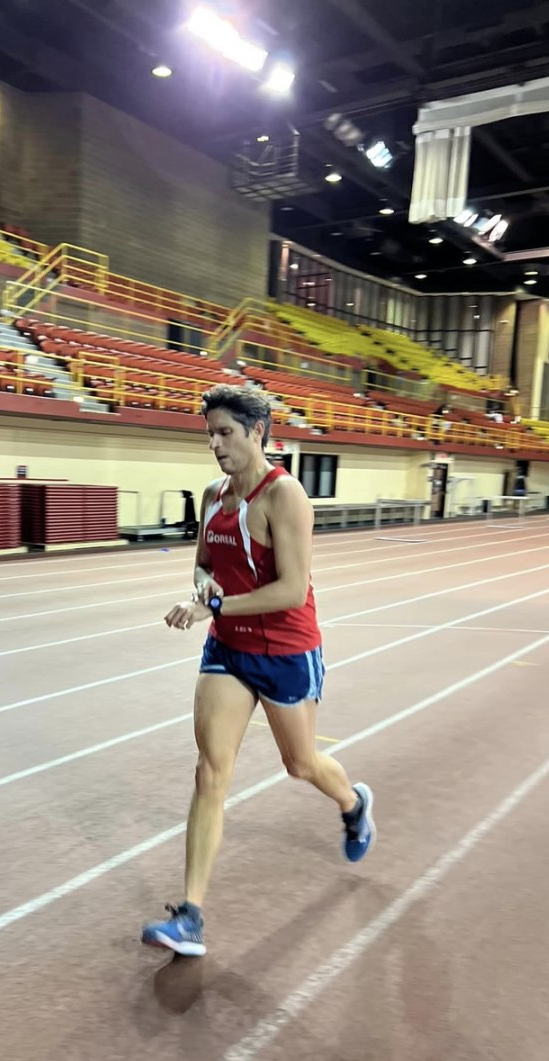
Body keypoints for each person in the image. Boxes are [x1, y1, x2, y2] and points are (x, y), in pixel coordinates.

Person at [141, 384, 375, 957]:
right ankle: (190, 914)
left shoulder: (285, 497)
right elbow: (203, 563)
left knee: (300, 764)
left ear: (257, 432)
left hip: (286, 650)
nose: (216, 445)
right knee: (210, 771)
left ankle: (353, 804)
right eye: (210, 435)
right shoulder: (213, 495)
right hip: (227, 651)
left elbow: (292, 590)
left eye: (225, 433)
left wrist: (213, 605)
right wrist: (205, 591)